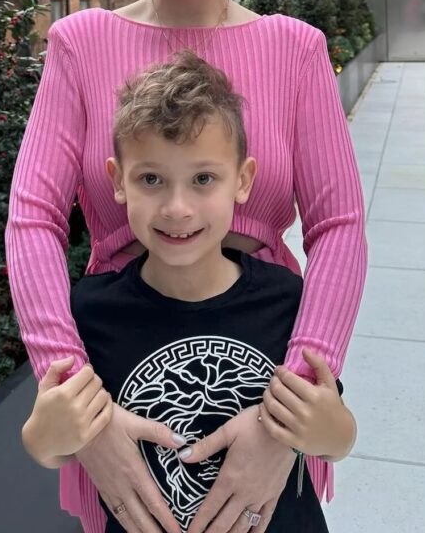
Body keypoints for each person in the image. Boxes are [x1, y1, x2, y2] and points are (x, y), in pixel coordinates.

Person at [6, 0, 367, 533]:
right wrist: (81, 408)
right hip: (123, 364)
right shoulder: (80, 44)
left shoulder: (296, 50)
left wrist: (287, 412)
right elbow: (32, 219)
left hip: (261, 356)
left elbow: (339, 226)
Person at [22, 51, 356, 533]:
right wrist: (45, 434)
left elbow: (337, 439)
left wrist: (326, 429)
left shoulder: (287, 300)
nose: (177, 208)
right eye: (151, 179)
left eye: (203, 179)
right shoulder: (91, 313)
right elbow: (48, 446)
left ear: (242, 180)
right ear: (118, 181)